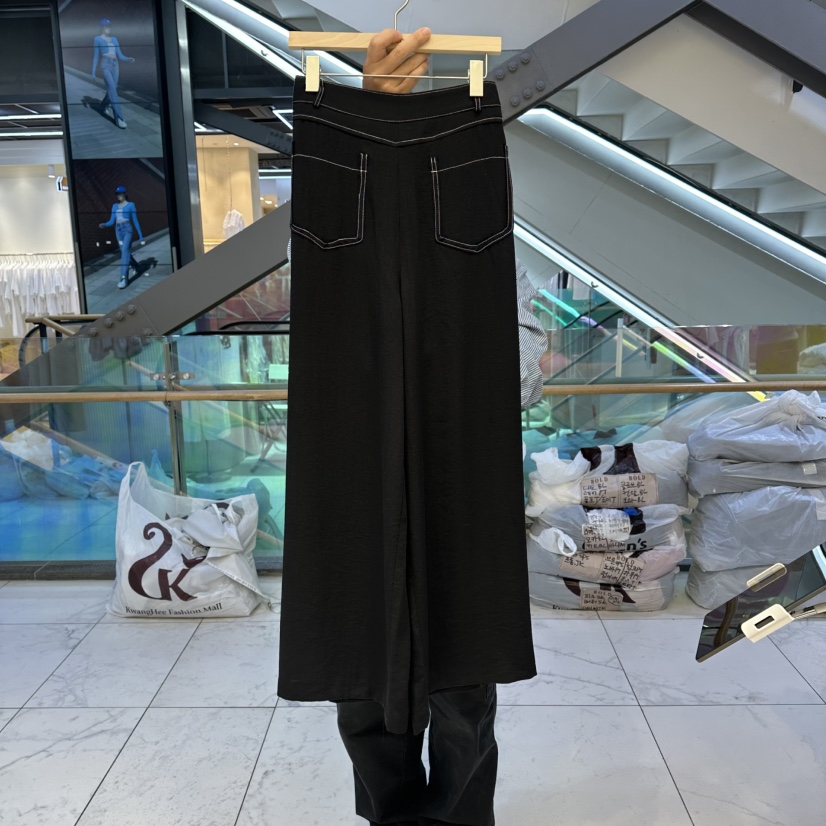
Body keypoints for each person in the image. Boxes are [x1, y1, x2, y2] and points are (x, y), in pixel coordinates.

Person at [301, 29, 546, 826]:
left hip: (457, 147)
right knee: (360, 622)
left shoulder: (473, 145)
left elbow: (511, 372)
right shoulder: (334, 146)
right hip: (342, 147)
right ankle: (393, 814)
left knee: (460, 633)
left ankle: (458, 816)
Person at [91, 18, 135, 129]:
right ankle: (119, 118)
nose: (108, 28)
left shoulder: (115, 39)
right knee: (112, 89)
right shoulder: (97, 39)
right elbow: (96, 56)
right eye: (106, 26)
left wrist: (127, 59)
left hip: (115, 65)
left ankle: (103, 105)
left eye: (109, 26)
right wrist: (93, 72)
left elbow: (120, 55)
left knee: (112, 89)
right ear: (102, 27)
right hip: (105, 65)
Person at [99, 186, 145, 289]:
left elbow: (135, 221)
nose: (118, 195)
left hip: (127, 230)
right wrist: (104, 225)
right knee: (125, 252)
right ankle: (137, 267)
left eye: (120, 193)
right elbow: (112, 221)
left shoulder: (131, 205)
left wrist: (141, 236)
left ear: (125, 194)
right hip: (118, 231)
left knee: (124, 252)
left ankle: (124, 278)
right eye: (117, 194)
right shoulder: (114, 206)